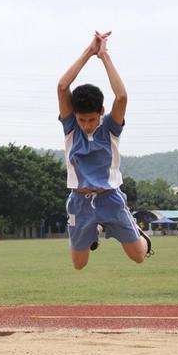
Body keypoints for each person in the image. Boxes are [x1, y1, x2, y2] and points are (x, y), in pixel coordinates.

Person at [57, 31, 152, 270]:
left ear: (100, 112)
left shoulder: (110, 127)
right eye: (82, 119)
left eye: (90, 119)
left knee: (138, 256)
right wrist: (89, 52)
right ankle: (95, 229)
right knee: (79, 264)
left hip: (110, 198)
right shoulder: (71, 128)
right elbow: (62, 86)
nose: (86, 124)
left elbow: (121, 97)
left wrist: (104, 56)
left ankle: (134, 230)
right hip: (79, 201)